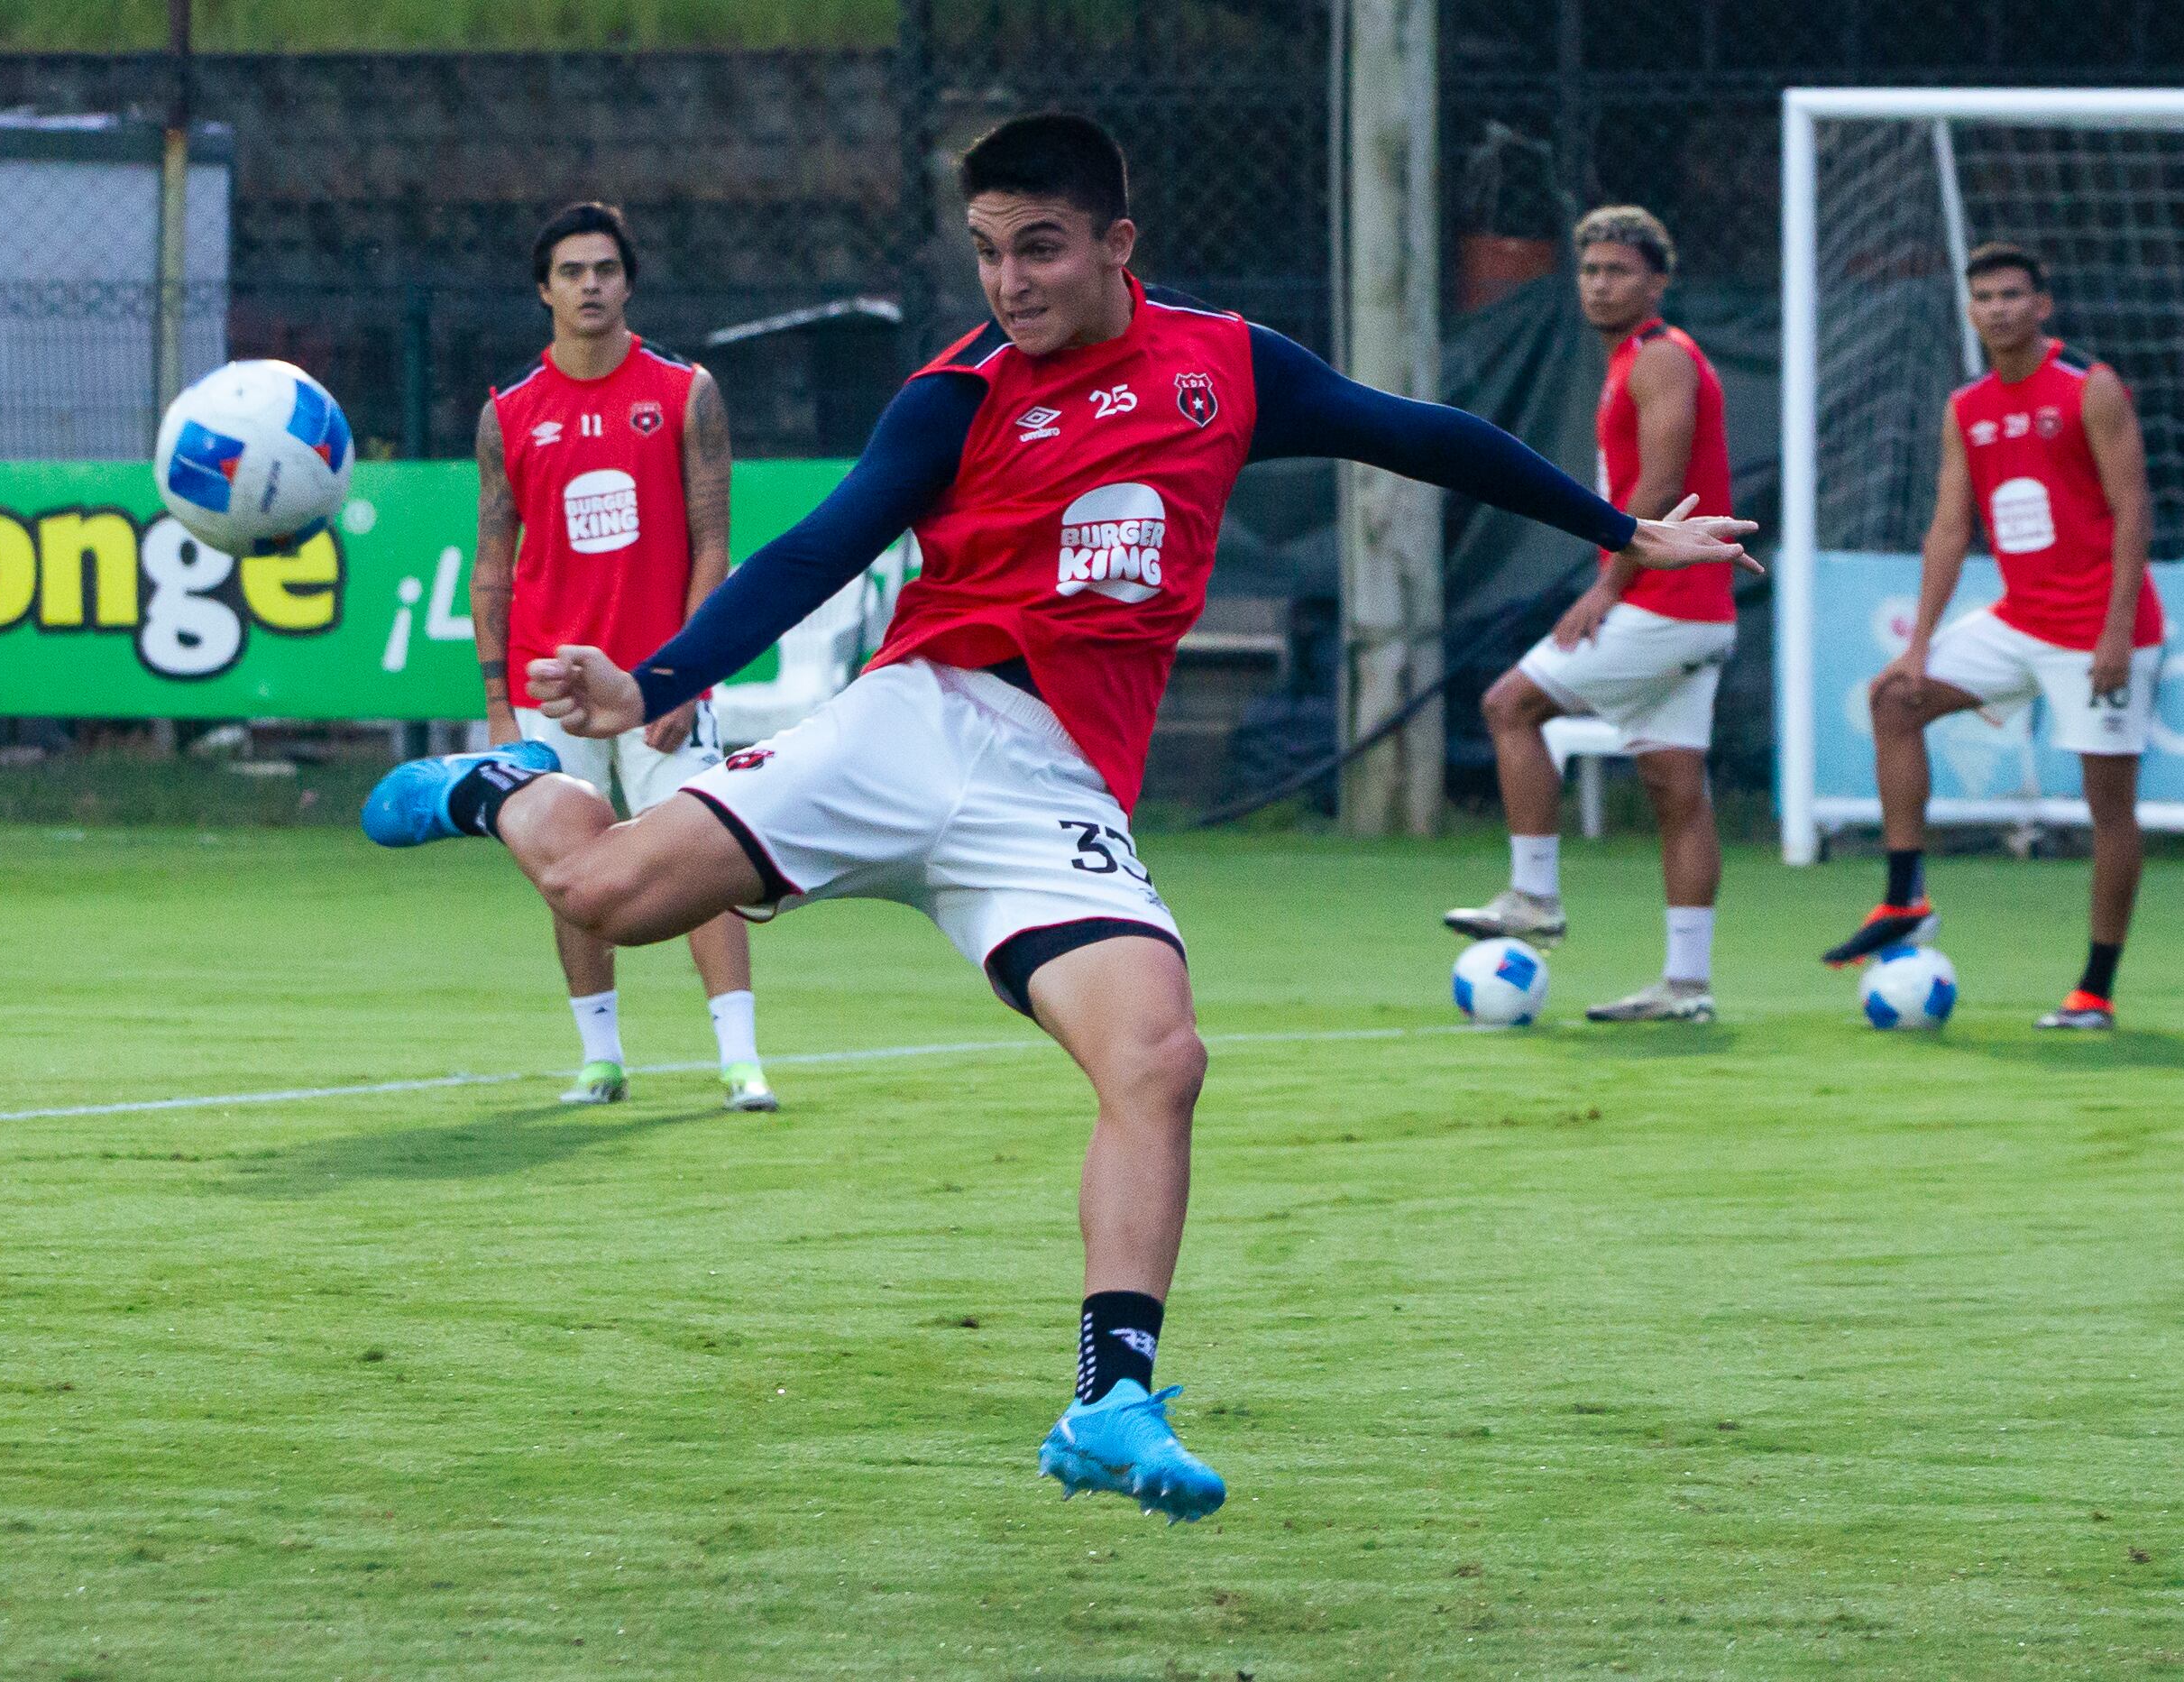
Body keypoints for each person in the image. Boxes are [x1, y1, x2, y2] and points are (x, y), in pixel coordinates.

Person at [363, 115, 1755, 1520]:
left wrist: (1620, 532)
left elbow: (1417, 435)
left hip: (1051, 791)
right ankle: (490, 785)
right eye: (984, 252)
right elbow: (820, 543)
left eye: (1037, 248)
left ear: (1113, 245)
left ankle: (1109, 1398)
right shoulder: (954, 396)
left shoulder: (1224, 367)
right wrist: (655, 679)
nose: (1008, 282)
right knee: (597, 893)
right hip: (911, 723)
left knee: (1158, 1056)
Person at [470, 201, 775, 1109]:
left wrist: (687, 673)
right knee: (572, 876)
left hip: (655, 682)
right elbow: (493, 567)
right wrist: (496, 709)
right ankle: (599, 1058)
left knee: (703, 858)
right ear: (543, 290)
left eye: (603, 268)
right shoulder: (508, 414)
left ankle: (740, 1059)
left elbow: (712, 544)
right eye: (570, 271)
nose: (589, 284)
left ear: (627, 281)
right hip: (548, 688)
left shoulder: (684, 393)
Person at [1822, 241, 2164, 1030]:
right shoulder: (1966, 407)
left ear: (2042, 306)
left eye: (2014, 294)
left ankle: (2094, 990)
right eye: (1985, 296)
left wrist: (2116, 635)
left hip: (2102, 632)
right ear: (1970, 310)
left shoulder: (2090, 387)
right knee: (1894, 699)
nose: (1999, 308)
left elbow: (2133, 509)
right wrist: (1919, 645)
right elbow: (1949, 526)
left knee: (2107, 805)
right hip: (2021, 617)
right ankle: (1906, 897)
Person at [1444, 207, 1739, 1024]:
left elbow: (1660, 483)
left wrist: (1608, 585)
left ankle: (1534, 894)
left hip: (1666, 602)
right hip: (1689, 608)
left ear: (1657, 281)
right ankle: (1686, 986)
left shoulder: (1660, 359)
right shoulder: (1627, 361)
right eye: (1589, 271)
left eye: (1617, 271)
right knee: (1676, 786)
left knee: (1511, 704)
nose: (1600, 285)